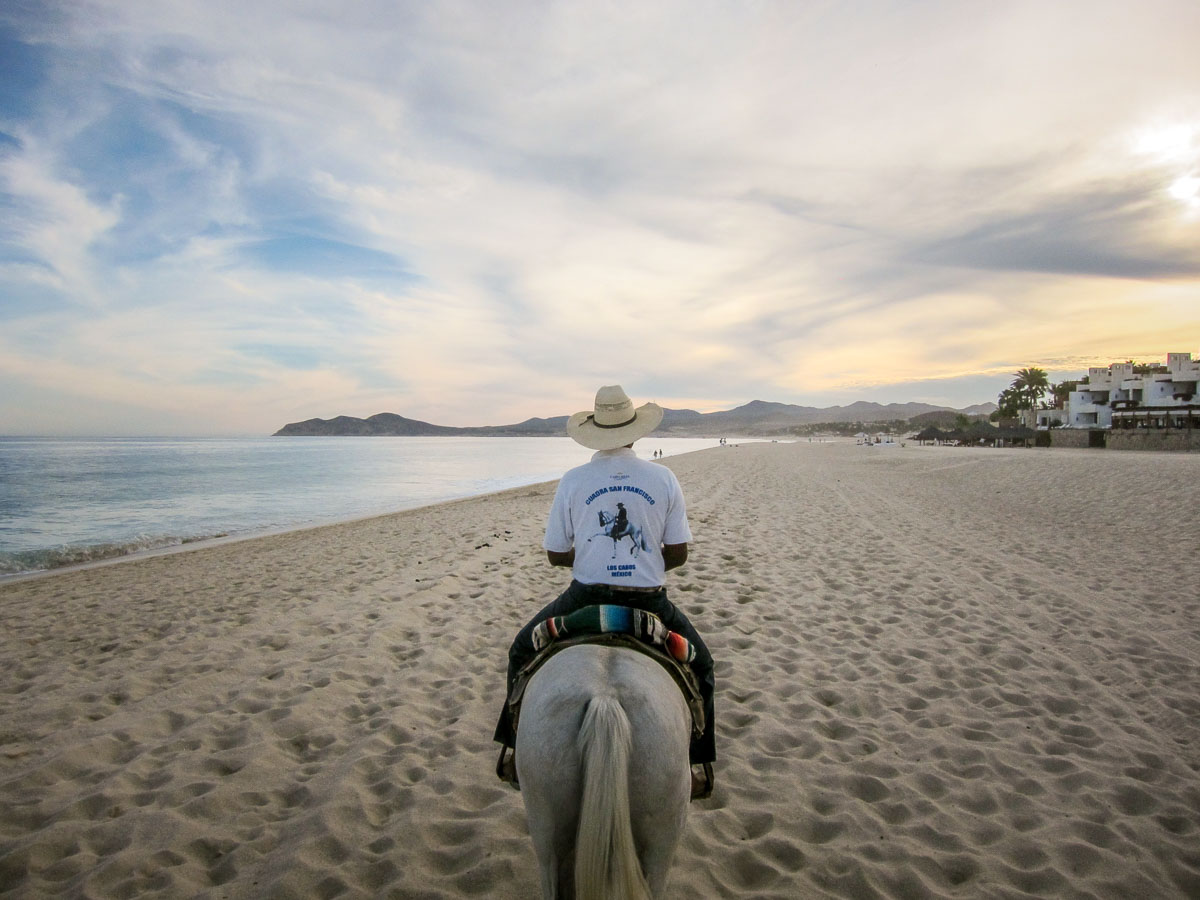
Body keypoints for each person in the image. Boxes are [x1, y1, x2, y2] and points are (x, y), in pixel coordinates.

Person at [493, 385, 716, 798]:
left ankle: (512, 753)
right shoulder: (663, 477)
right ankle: (698, 764)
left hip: (584, 597)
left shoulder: (574, 480)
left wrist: (589, 557)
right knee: (701, 665)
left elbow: (555, 555)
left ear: (595, 432)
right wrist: (643, 564)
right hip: (650, 600)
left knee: (522, 650)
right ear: (635, 432)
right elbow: (680, 554)